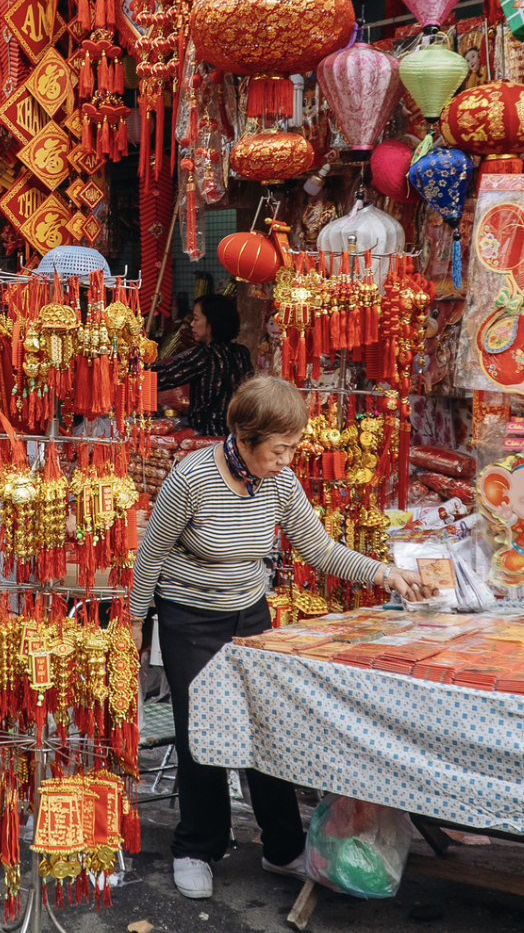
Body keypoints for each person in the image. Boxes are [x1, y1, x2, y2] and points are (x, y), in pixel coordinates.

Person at [129, 375, 431, 900]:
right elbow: (150, 555)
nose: (288, 459)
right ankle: (197, 847)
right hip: (189, 618)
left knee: (267, 727)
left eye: (293, 447)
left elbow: (319, 549)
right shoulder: (192, 478)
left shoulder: (279, 485)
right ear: (246, 438)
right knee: (202, 733)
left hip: (250, 613)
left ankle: (282, 846)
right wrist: (136, 622)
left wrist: (385, 575)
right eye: (281, 448)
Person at [150, 294, 253, 437]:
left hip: (208, 439)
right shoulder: (242, 352)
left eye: (196, 319)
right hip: (237, 438)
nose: (191, 324)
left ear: (212, 322)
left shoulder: (205, 355)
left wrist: (131, 368)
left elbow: (163, 377)